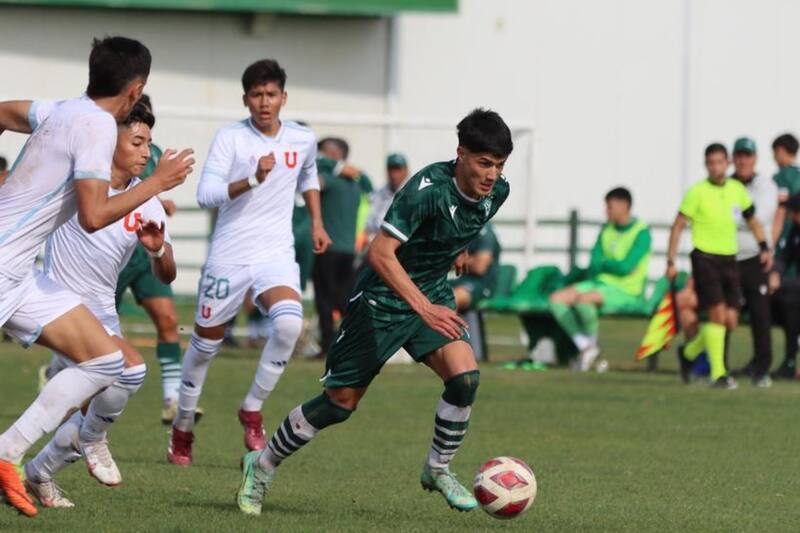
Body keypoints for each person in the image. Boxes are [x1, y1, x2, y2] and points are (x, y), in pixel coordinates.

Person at [235, 108, 512, 516]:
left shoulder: (497, 193)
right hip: (382, 300)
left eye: (499, 165)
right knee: (339, 403)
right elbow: (379, 253)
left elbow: (462, 223)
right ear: (461, 155)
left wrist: (458, 250)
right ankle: (261, 465)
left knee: (465, 378)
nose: (492, 174)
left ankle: (437, 469)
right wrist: (425, 309)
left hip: (431, 293)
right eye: (484, 163)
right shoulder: (425, 189)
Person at [0, 36, 193, 517]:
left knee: (113, 362)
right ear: (136, 89)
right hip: (7, 266)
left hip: (19, 274)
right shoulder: (96, 129)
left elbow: (2, 112)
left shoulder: (61, 109)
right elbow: (91, 214)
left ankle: (7, 453)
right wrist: (157, 184)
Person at [168, 59, 331, 466]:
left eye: (271, 94)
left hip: (275, 253)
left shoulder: (302, 138)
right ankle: (183, 425)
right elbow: (206, 195)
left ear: (283, 98)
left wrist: (316, 221)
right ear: (246, 99)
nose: (264, 102)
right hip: (229, 255)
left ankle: (252, 408)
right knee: (205, 345)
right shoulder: (230, 139)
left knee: (290, 324)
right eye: (256, 95)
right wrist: (253, 179)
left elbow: (308, 175)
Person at [23, 102, 175, 508]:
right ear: (110, 143)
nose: (146, 152)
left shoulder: (147, 201)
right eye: (137, 141)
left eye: (149, 143)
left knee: (94, 404)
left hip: (102, 313)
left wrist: (159, 251)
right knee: (130, 371)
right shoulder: (78, 183)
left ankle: (40, 473)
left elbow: (168, 275)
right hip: (58, 305)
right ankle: (89, 439)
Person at [668, 143, 771, 389]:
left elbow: (752, 219)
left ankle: (689, 353)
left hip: (729, 259)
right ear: (706, 166)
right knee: (716, 315)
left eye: (719, 162)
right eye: (711, 163)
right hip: (705, 258)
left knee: (731, 320)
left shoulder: (737, 190)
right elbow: (679, 225)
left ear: (728, 164)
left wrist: (764, 246)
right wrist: (671, 259)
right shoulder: (697, 192)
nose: (716, 167)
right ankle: (718, 374)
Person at [113, 94, 185, 424]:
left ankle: (173, 398)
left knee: (168, 320)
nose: (144, 149)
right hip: (108, 257)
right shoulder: (98, 150)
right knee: (95, 346)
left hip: (142, 251)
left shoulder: (154, 152)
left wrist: (160, 205)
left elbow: (146, 191)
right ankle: (56, 370)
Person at [548, 187, 652, 371]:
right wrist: (612, 264)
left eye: (610, 207)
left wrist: (608, 263)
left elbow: (625, 268)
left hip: (626, 289)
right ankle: (586, 347)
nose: (607, 211)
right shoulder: (606, 228)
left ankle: (589, 350)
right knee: (556, 299)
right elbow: (595, 262)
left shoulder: (641, 232)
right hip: (599, 283)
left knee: (583, 300)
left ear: (624, 206)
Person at [726, 138, 780, 386]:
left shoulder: (765, 185)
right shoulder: (724, 184)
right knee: (725, 314)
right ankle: (719, 366)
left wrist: (735, 213)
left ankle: (761, 369)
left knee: (760, 315)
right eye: (738, 155)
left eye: (747, 155)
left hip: (755, 258)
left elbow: (760, 214)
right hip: (727, 255)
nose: (743, 160)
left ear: (755, 158)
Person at [312, 137, 373, 357]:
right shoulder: (356, 183)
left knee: (326, 300)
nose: (320, 156)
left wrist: (325, 164)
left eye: (324, 152)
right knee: (343, 297)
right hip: (348, 250)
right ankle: (353, 341)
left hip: (328, 248)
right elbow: (369, 184)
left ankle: (328, 346)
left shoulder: (331, 179)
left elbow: (312, 183)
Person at [771, 193, 800, 379]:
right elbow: (784, 258)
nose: (790, 215)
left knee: (790, 292)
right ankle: (788, 361)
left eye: (794, 211)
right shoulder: (795, 231)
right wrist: (775, 274)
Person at [451, 222, 501, 312]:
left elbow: (479, 267)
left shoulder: (483, 228)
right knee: (425, 294)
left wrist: (451, 261)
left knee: (448, 300)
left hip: (480, 284)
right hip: (459, 280)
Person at [365, 153, 410, 243]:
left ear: (406, 170)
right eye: (391, 170)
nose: (394, 174)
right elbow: (369, 222)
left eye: (398, 170)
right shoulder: (378, 194)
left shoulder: (411, 193)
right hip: (374, 242)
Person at [771, 133, 800, 247]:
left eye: (775, 152)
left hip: (787, 232)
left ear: (781, 150)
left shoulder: (782, 176)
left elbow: (780, 209)